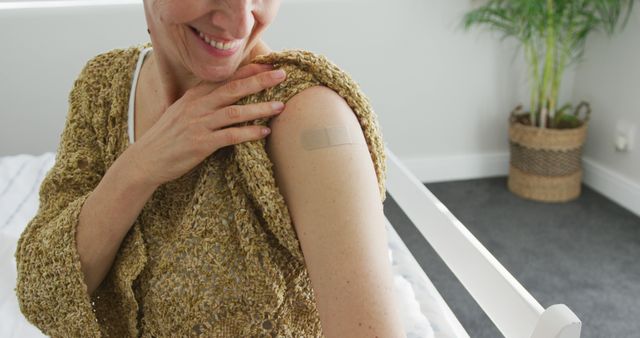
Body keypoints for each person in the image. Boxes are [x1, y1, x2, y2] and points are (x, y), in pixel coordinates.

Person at [14, 0, 407, 337]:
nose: (241, 22)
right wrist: (138, 168)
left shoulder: (308, 118)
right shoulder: (102, 87)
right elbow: (41, 293)